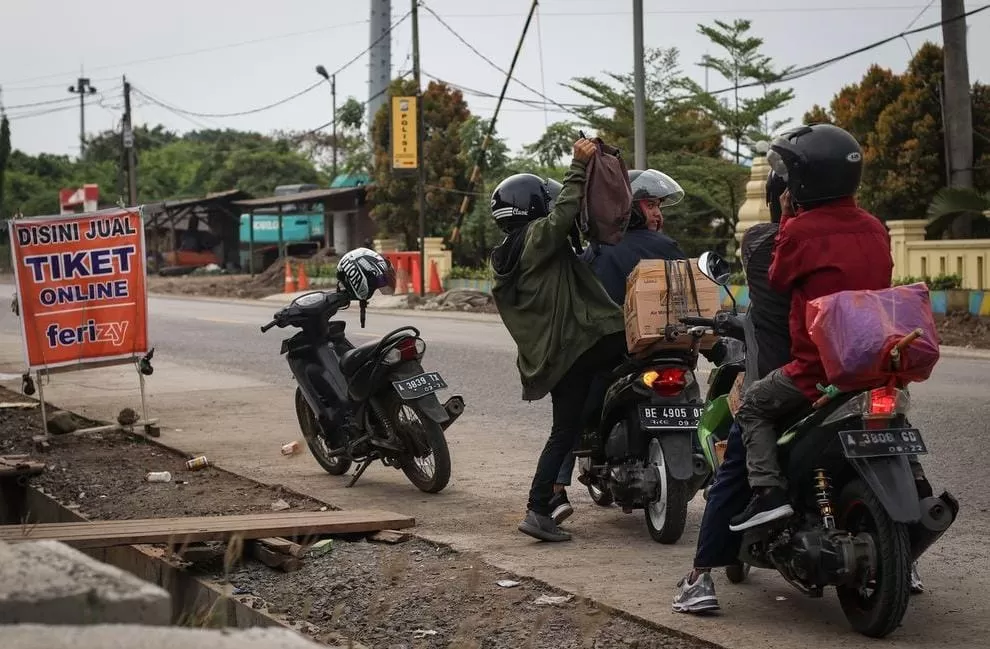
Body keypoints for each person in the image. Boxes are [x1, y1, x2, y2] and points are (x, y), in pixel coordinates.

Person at [727, 123, 895, 532]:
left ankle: (769, 494)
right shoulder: (874, 226)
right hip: (877, 362)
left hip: (819, 369)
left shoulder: (799, 231)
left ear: (803, 179)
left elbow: (779, 278)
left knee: (752, 406)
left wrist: (786, 217)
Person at [490, 138, 627, 542]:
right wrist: (578, 165)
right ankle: (610, 441)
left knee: (562, 433)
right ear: (533, 207)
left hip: (555, 359)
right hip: (576, 347)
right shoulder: (535, 241)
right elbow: (564, 214)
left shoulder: (504, 254)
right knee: (632, 347)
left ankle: (539, 507)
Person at [672, 169, 794, 613]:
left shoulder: (766, 242)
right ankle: (907, 561)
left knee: (733, 466)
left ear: (784, 200)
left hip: (793, 376)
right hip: (854, 373)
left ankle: (700, 577)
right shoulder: (866, 235)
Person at [548, 169, 688, 524]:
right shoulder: (668, 247)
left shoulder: (599, 251)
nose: (659, 214)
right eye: (652, 204)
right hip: (670, 349)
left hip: (617, 355)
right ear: (632, 208)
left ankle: (555, 488)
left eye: (659, 206)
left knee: (572, 415)